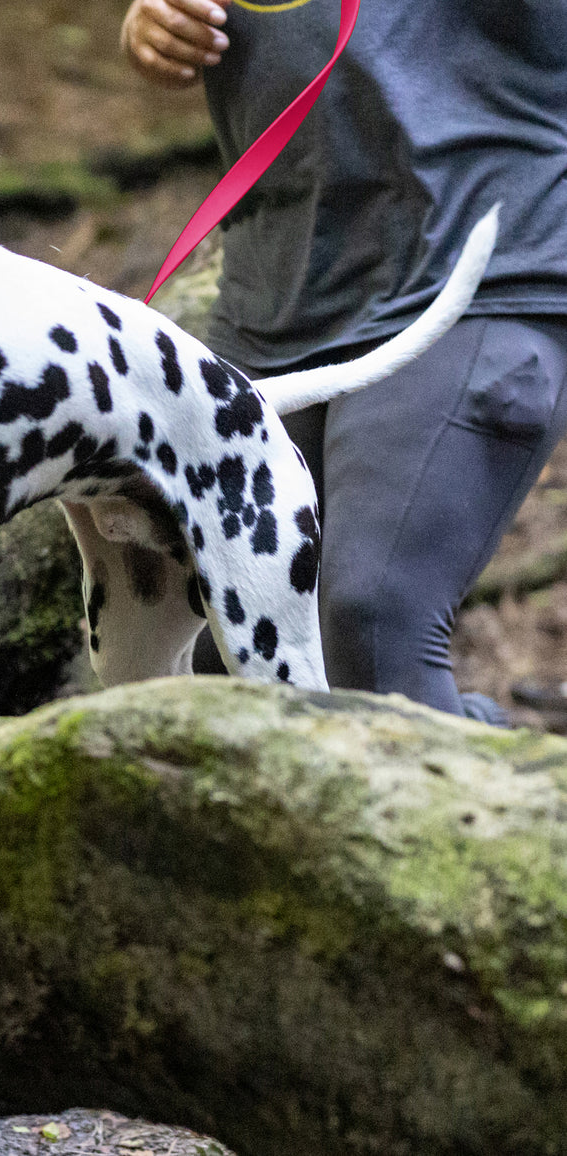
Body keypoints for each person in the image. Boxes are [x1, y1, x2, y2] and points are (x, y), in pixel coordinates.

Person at [119, 0, 567, 721]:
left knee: (372, 623)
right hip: (273, 292)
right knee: (217, 660)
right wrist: (152, 24)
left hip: (478, 267)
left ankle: (508, 812)